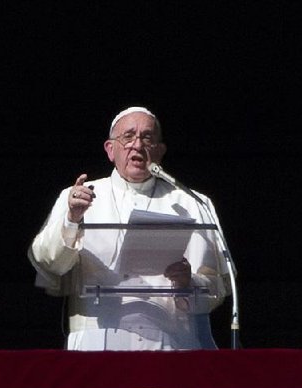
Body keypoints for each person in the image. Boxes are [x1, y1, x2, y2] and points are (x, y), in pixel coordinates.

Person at [29, 106, 230, 350]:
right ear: (110, 150)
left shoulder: (193, 203)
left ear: (160, 151)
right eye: (128, 137)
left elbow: (218, 287)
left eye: (147, 137)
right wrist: (72, 220)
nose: (137, 145)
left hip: (172, 345)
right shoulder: (78, 198)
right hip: (97, 345)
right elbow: (49, 264)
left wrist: (189, 284)